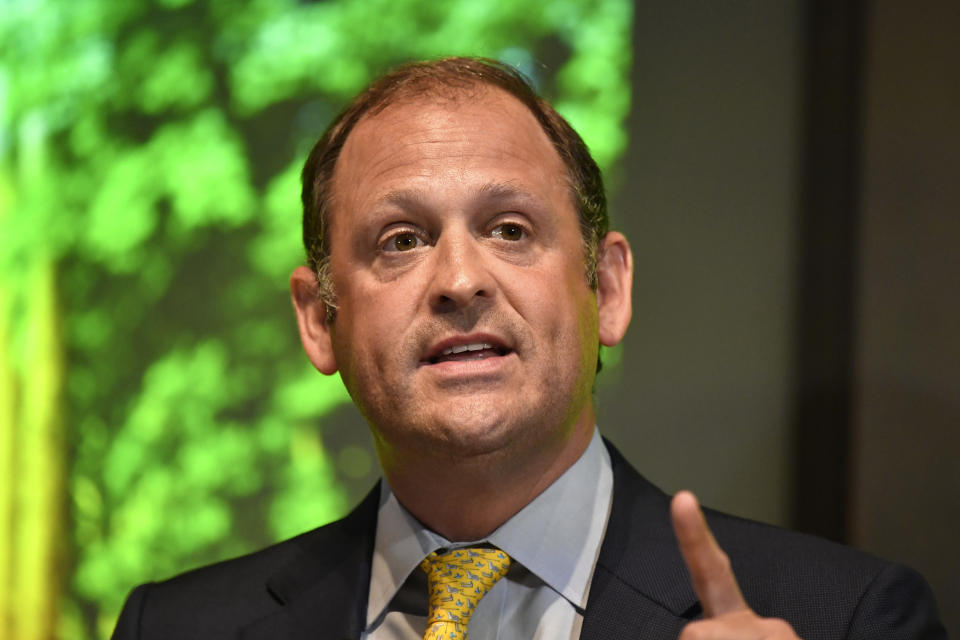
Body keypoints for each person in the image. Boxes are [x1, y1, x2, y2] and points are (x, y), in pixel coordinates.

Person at [111, 57, 945, 640]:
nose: (460, 280)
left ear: (606, 290)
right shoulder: (176, 628)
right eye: (400, 241)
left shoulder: (846, 618)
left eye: (511, 229)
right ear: (319, 319)